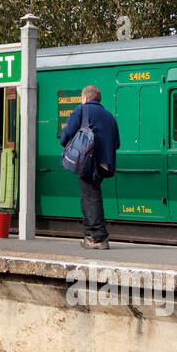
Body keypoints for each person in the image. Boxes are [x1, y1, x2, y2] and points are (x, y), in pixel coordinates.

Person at [59, 85, 121, 249]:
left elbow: (66, 135)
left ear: (85, 98)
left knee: (91, 197)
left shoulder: (82, 110)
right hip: (105, 164)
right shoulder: (109, 116)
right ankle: (89, 234)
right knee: (88, 196)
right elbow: (117, 143)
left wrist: (72, 148)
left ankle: (98, 238)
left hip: (88, 162)